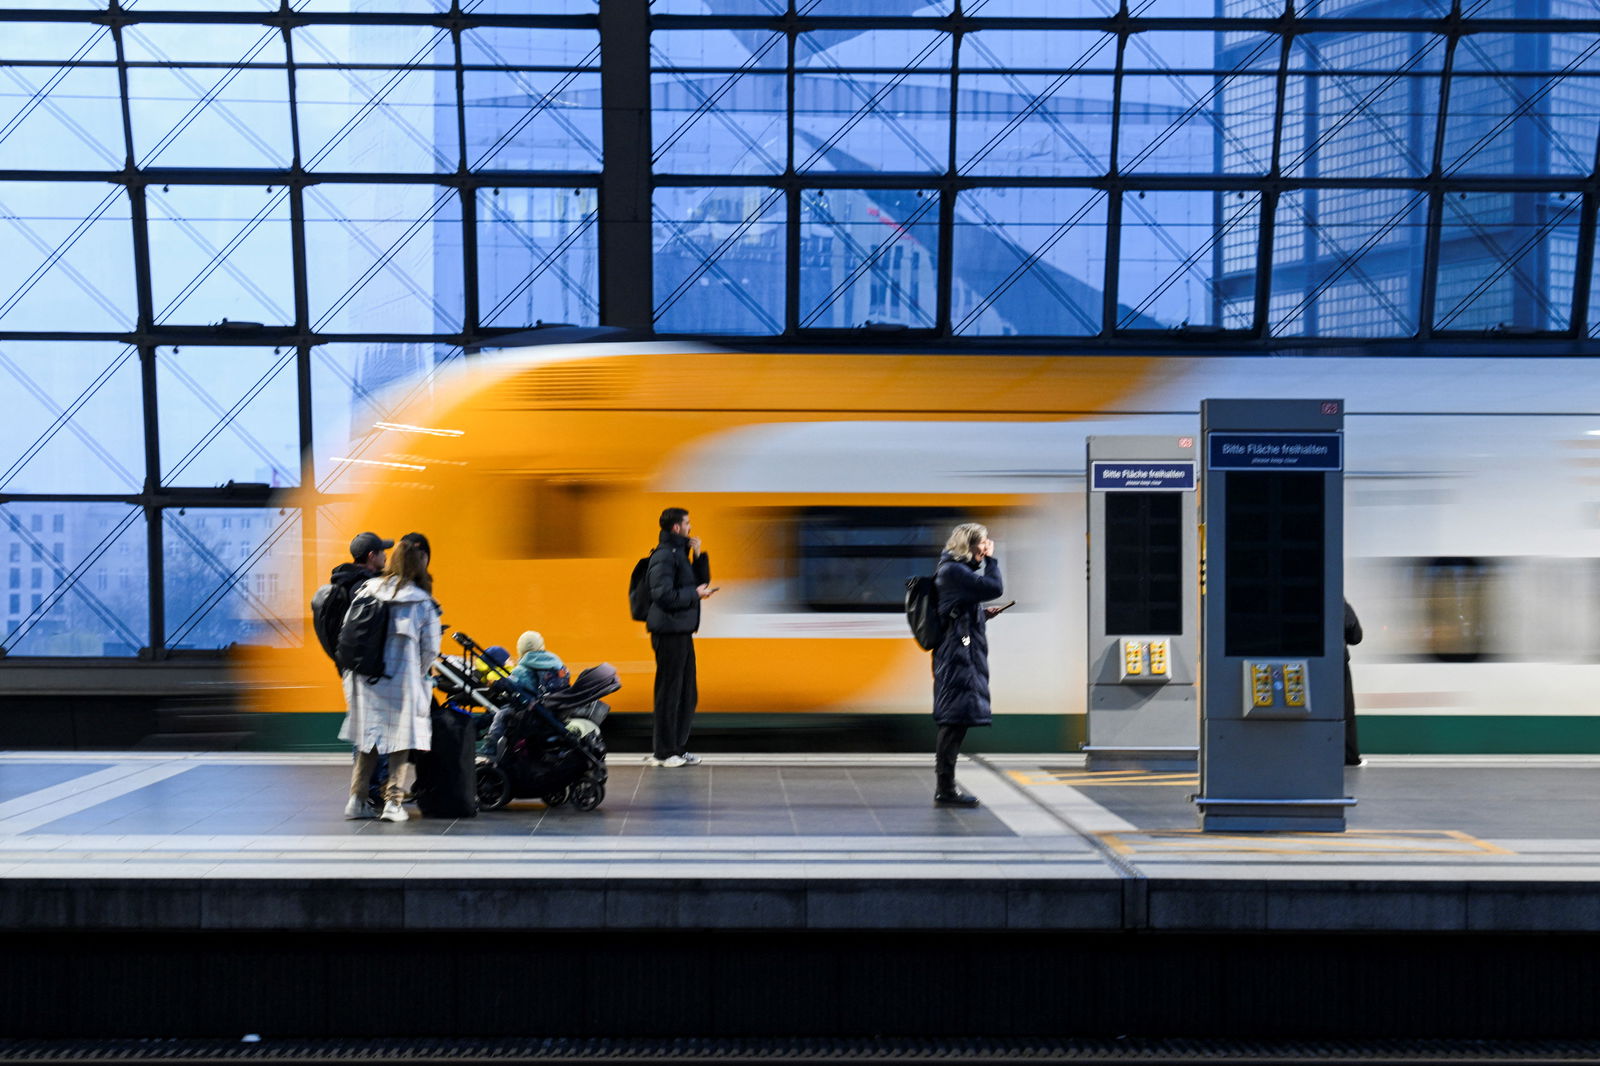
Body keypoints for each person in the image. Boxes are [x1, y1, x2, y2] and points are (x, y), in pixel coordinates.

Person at [339, 535, 441, 823]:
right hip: (402, 680)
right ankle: (393, 803)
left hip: (366, 680)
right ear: (421, 564)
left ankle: (356, 800)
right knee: (400, 741)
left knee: (367, 739)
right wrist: (417, 673)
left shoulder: (368, 590)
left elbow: (349, 631)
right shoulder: (421, 601)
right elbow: (430, 649)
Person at [931, 522, 1005, 808]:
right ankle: (945, 789)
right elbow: (994, 586)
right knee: (953, 721)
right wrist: (991, 559)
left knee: (956, 721)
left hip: (960, 654)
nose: (986, 547)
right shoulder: (953, 571)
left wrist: (982, 615)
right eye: (983, 544)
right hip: (956, 657)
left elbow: (955, 612)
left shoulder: (955, 572)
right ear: (971, 545)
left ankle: (946, 788)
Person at [644, 507, 713, 768]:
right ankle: (663, 752)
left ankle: (677, 748)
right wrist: (694, 594)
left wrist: (698, 554)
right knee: (669, 693)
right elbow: (662, 595)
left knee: (686, 692)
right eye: (687, 523)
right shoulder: (663, 556)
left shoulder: (679, 554)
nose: (690, 527)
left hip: (681, 630)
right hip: (668, 632)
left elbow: (700, 583)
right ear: (676, 527)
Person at [1344, 599, 1364, 767]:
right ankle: (1350, 756)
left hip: (1313, 664)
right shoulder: (1341, 604)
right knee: (1346, 711)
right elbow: (1356, 637)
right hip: (1339, 665)